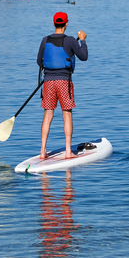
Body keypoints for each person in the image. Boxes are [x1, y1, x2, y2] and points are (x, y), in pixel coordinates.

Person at [37, 11, 88, 160]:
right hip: (64, 82)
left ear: (54, 23)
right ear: (66, 24)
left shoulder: (45, 40)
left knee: (47, 116)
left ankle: (42, 151)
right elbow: (83, 57)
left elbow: (39, 61)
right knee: (67, 115)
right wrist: (83, 41)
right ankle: (67, 151)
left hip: (48, 83)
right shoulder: (72, 40)